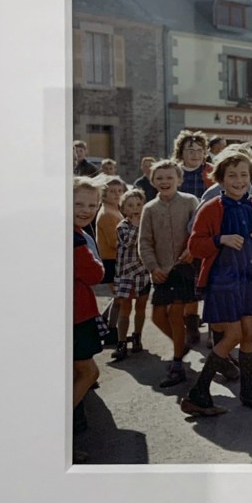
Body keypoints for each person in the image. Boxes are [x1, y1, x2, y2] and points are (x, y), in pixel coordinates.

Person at [184, 150, 252, 416]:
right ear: (221, 179)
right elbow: (195, 245)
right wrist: (220, 240)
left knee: (248, 333)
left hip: (248, 280)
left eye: (243, 175)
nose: (238, 181)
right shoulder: (211, 207)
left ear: (251, 177)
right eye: (232, 175)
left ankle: (247, 392)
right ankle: (197, 393)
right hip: (222, 280)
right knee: (234, 334)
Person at [137, 160, 202, 389]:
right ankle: (181, 343)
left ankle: (177, 365)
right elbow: (144, 242)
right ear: (153, 181)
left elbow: (198, 231)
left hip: (184, 267)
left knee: (176, 314)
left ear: (179, 180)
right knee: (156, 316)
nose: (164, 182)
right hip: (161, 271)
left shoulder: (190, 202)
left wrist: (191, 251)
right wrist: (153, 268)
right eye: (159, 178)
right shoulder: (150, 209)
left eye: (169, 178)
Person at [72, 178, 105, 463]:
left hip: (71, 313)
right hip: (75, 315)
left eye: (92, 205)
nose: (86, 210)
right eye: (79, 204)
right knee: (88, 373)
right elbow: (95, 274)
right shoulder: (75, 238)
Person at [171, 129, 214, 344]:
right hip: (178, 235)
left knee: (207, 281)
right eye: (190, 150)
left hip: (206, 234)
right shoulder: (174, 173)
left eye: (199, 150)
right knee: (186, 283)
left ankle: (212, 324)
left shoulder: (212, 173)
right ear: (181, 152)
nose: (195, 155)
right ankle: (191, 324)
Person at [109, 188, 151, 362]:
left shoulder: (148, 225)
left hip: (143, 273)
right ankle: (121, 342)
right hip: (126, 274)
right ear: (123, 209)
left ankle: (137, 337)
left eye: (139, 205)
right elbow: (127, 242)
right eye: (131, 205)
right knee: (125, 309)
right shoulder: (123, 226)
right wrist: (135, 225)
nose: (135, 208)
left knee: (141, 308)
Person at [95, 175, 127, 287]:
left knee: (120, 298)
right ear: (104, 194)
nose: (117, 194)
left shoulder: (114, 210)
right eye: (112, 191)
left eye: (120, 191)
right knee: (119, 298)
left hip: (116, 259)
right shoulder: (107, 213)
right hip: (111, 260)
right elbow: (114, 242)